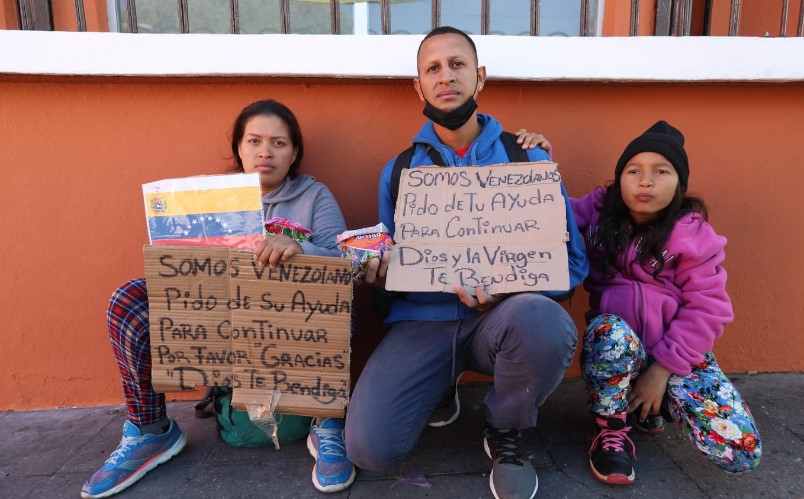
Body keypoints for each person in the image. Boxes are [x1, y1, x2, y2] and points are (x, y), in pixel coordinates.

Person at [344, 26, 588, 499]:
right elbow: (394, 266)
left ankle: (505, 429)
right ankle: (441, 383)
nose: (445, 77)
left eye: (457, 65)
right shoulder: (398, 172)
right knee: (369, 450)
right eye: (432, 68)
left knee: (545, 321)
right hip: (422, 323)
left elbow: (571, 264)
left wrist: (510, 288)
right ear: (418, 86)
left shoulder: (527, 158)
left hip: (503, 319)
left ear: (479, 77)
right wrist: (378, 274)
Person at [82, 99, 355, 498]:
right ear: (239, 149)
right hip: (220, 325)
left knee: (335, 289)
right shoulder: (207, 197)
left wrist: (300, 248)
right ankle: (150, 430)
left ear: (294, 152)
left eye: (279, 143)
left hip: (290, 329)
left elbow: (344, 262)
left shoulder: (314, 196)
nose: (266, 151)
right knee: (129, 300)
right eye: (255, 141)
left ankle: (327, 419)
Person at [566, 120, 762, 484]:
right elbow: (545, 212)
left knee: (740, 450)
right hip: (618, 346)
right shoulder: (596, 213)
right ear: (620, 178)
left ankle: (658, 403)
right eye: (633, 170)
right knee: (608, 332)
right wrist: (536, 153)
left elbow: (708, 309)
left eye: (661, 171)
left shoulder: (692, 236)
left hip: (677, 354)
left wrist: (662, 372)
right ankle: (613, 427)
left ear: (679, 184)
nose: (645, 181)